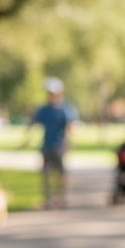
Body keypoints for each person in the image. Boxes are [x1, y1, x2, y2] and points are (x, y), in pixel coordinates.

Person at [29, 77, 77, 208]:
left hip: (60, 145)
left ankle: (61, 198)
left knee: (61, 173)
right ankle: (48, 199)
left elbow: (70, 125)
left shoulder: (65, 108)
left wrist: (68, 139)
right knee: (46, 174)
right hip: (47, 145)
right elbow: (34, 120)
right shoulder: (44, 109)